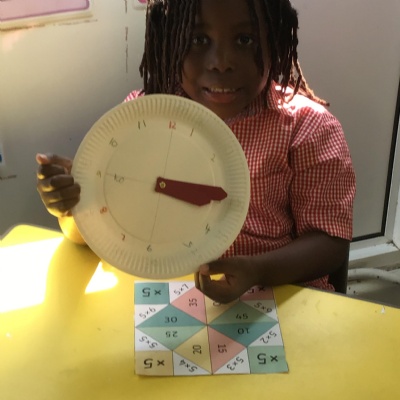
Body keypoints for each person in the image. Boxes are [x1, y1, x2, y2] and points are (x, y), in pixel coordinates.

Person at [37, 0, 356, 304]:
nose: (221, 62)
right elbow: (92, 236)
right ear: (168, 39)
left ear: (275, 40)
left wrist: (257, 270)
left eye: (245, 39)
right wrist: (70, 206)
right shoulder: (142, 119)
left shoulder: (308, 128)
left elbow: (330, 242)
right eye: (198, 40)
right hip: (164, 298)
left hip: (276, 295)